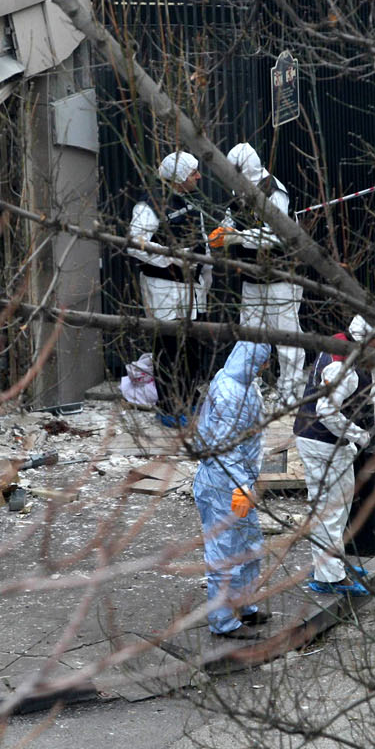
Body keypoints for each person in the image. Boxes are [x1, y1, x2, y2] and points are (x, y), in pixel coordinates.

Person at [293, 311, 375, 596]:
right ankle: (330, 578)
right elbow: (326, 411)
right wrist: (357, 435)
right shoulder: (344, 369)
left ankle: (331, 566)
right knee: (331, 510)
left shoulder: (338, 345)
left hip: (320, 439)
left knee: (333, 506)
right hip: (323, 443)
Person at [212, 142, 306, 408]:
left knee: (287, 337)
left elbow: (276, 236)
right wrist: (223, 232)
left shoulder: (274, 193)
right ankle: (251, 385)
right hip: (251, 275)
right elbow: (233, 217)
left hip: (280, 276)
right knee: (250, 334)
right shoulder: (237, 189)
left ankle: (290, 391)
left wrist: (237, 237)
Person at [192, 341, 274, 639]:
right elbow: (225, 450)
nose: (266, 367)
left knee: (249, 546)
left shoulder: (243, 383)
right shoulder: (230, 393)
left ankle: (244, 606)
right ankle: (224, 621)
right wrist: (241, 486)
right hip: (222, 486)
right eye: (264, 362)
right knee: (225, 553)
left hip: (239, 484)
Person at [129, 152, 212, 427]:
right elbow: (134, 245)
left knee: (190, 347)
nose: (199, 177)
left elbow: (201, 242)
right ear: (178, 178)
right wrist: (170, 256)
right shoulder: (149, 206)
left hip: (191, 289)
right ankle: (169, 407)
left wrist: (204, 276)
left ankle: (188, 398)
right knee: (168, 348)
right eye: (193, 173)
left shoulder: (190, 202)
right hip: (163, 288)